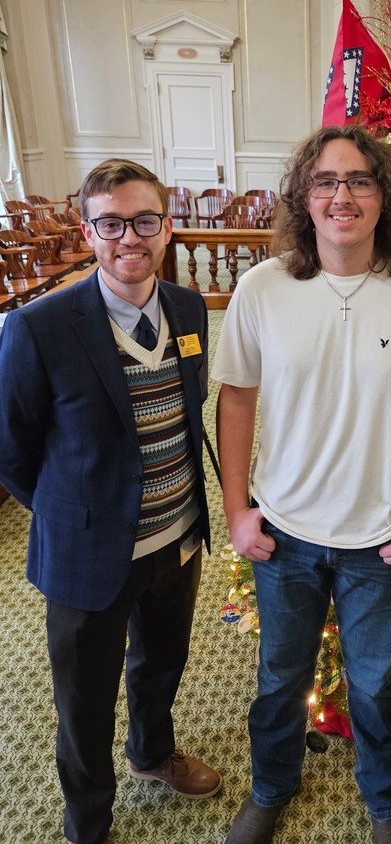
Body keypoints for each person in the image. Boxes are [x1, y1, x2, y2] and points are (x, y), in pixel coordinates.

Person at [212, 125, 391, 844]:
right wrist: (238, 510)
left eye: (359, 180)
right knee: (278, 679)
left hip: (382, 540)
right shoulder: (263, 289)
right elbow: (235, 398)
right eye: (325, 181)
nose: (342, 195)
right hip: (284, 535)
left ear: (384, 198)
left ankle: (384, 800)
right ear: (304, 197)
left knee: (374, 684)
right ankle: (270, 788)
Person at [0, 160, 221, 844]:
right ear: (88, 229)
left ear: (167, 227)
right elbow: (11, 448)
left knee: (160, 664)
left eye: (145, 221)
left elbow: (188, 412)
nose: (131, 237)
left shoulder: (188, 309)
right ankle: (87, 821)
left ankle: (152, 755)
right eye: (111, 223)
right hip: (88, 554)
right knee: (85, 701)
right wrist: (74, 518)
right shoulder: (38, 327)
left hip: (176, 535)